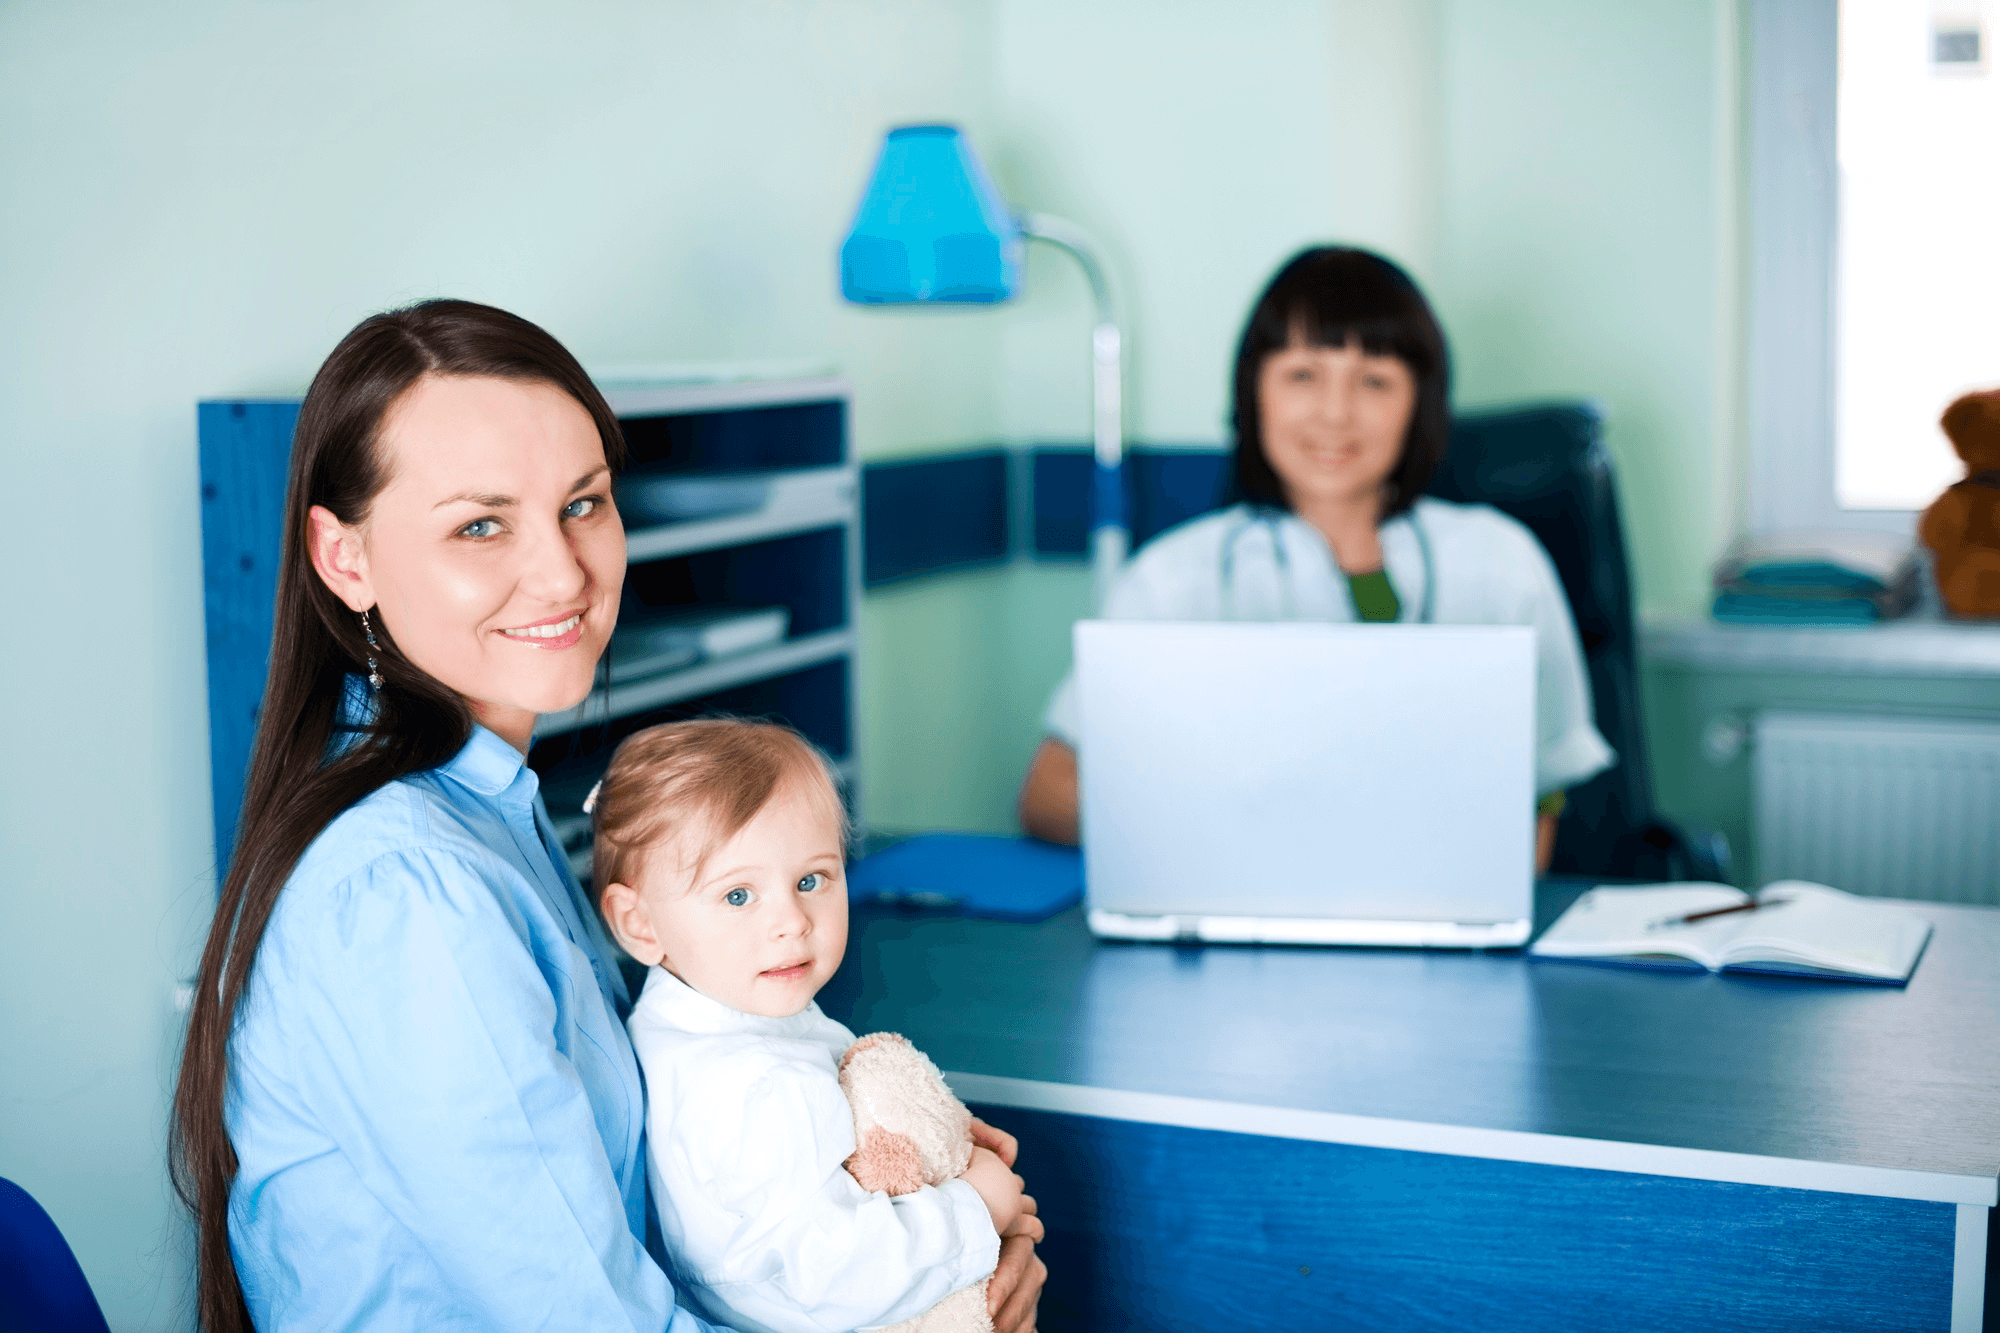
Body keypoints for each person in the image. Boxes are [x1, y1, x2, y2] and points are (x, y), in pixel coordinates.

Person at [170, 300, 1045, 1333]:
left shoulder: (488, 808)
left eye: (583, 504)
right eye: (480, 524)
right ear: (343, 556)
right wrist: (948, 1270)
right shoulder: (409, 890)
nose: (562, 570)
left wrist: (876, 1169)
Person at [1018, 247, 1613, 871]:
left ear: (1421, 406)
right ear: (1256, 394)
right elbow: (1048, 795)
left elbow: (1538, 798)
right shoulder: (1170, 580)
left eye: (1374, 381)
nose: (1335, 413)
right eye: (1303, 375)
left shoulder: (1502, 564)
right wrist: (1226, 841)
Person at [591, 718, 1030, 1333]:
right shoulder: (761, 1087)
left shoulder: (699, 1019)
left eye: (810, 880)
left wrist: (939, 1134)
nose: (792, 921)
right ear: (639, 924)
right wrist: (975, 1207)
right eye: (738, 896)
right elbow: (831, 1279)